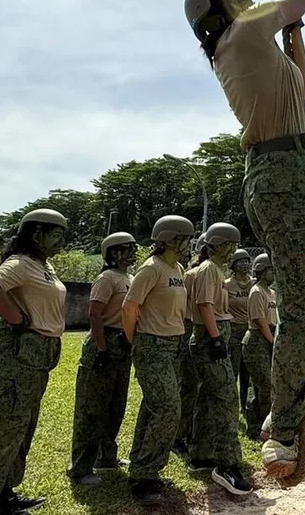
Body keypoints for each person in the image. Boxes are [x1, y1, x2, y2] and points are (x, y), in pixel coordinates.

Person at [185, 0, 305, 479]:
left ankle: (286, 419)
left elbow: (304, 88)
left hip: (283, 171)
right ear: (227, 3)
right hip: (286, 172)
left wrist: (295, 34)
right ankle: (284, 427)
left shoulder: (239, 46)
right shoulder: (244, 31)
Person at [0, 209, 68, 515]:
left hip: (32, 358)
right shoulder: (21, 262)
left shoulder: (43, 266)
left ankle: (5, 493)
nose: (62, 240)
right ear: (36, 234)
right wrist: (16, 318)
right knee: (0, 428)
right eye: (57, 234)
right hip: (9, 356)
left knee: (20, 427)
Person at [121, 216, 194, 505]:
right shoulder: (151, 269)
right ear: (172, 239)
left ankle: (142, 466)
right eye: (186, 238)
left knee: (154, 408)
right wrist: (136, 341)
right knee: (168, 408)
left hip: (172, 345)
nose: (190, 243)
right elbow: (129, 307)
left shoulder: (177, 269)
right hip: (152, 345)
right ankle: (143, 476)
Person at [186, 222, 252, 495]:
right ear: (212, 245)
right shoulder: (209, 269)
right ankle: (227, 464)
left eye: (234, 244)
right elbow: (205, 306)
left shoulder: (214, 270)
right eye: (227, 244)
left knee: (209, 397)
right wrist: (215, 339)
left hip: (211, 335)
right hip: (210, 337)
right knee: (227, 398)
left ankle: (201, 455)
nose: (231, 249)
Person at [69, 232, 137, 487]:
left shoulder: (129, 278)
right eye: (126, 248)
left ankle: (107, 457)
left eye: (133, 247)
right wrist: (101, 348)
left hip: (123, 344)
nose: (132, 252)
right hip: (105, 342)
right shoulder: (107, 278)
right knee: (92, 409)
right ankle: (80, 467)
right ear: (113, 253)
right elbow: (95, 315)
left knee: (115, 406)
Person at [174, 232, 205, 457]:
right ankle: (178, 435)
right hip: (186, 328)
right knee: (188, 385)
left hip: (193, 328)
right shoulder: (193, 274)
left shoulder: (201, 273)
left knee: (196, 385)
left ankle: (192, 430)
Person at [243, 253, 278, 439]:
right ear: (262, 271)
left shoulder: (271, 292)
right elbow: (259, 319)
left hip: (269, 336)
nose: (274, 274)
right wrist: (272, 341)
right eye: (271, 270)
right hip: (257, 339)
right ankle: (256, 427)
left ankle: (265, 425)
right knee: (260, 385)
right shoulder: (256, 291)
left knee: (267, 384)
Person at [224, 249, 254, 411]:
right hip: (233, 331)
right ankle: (231, 405)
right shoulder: (227, 285)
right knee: (232, 370)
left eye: (247, 261)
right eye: (240, 261)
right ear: (233, 265)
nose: (245, 264)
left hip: (250, 330)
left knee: (248, 371)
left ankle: (246, 405)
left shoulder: (254, 284)